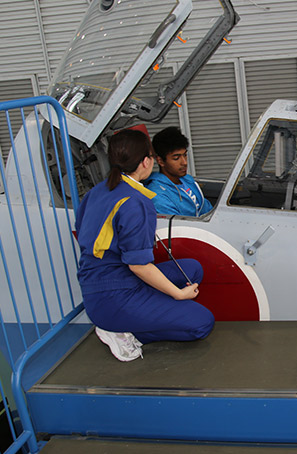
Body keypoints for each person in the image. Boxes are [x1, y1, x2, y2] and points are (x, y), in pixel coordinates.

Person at [75, 129, 215, 361]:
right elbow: (138, 266)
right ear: (147, 161)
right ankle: (124, 331)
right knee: (202, 323)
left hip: (104, 280)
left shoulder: (97, 192)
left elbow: (81, 231)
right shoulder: (136, 202)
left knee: (192, 268)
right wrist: (178, 295)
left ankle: (143, 312)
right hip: (115, 294)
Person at [144, 126, 213, 217]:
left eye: (185, 155)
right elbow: (176, 227)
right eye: (176, 158)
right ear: (160, 161)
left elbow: (208, 210)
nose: (184, 162)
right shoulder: (158, 194)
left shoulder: (187, 180)